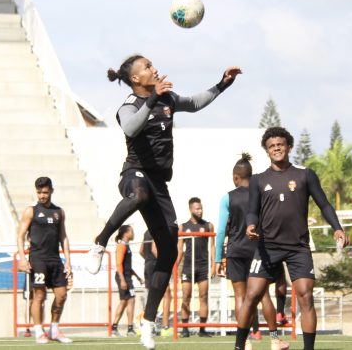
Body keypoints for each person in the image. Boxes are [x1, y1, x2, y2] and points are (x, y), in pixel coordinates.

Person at [86, 54, 241, 349]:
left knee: (169, 254)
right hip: (134, 175)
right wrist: (151, 98)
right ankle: (100, 241)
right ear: (135, 78)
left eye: (151, 65)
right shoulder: (129, 106)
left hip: (159, 184)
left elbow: (194, 103)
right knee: (139, 194)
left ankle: (147, 322)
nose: (153, 69)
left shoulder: (166, 98)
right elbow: (130, 128)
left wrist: (223, 84)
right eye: (147, 67)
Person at [233, 127, 347, 350]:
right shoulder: (258, 179)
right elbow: (253, 210)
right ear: (267, 151)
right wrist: (251, 224)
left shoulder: (305, 174)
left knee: (305, 296)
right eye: (272, 146)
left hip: (298, 247)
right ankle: (239, 346)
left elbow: (324, 204)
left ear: (289, 147)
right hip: (267, 246)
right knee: (252, 294)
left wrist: (337, 227)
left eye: (280, 145)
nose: (276, 149)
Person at [214, 153, 289, 350]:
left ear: (235, 177)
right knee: (264, 295)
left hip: (236, 252)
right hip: (260, 251)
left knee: (240, 296)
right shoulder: (262, 195)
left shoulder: (227, 198)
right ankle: (274, 340)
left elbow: (221, 230)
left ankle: (244, 342)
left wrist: (217, 259)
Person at [16, 177, 73, 344]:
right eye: (39, 192)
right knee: (39, 296)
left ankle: (54, 329)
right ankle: (39, 331)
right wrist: (22, 258)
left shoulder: (59, 212)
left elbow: (63, 237)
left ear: (51, 191)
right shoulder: (31, 211)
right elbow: (20, 236)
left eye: (45, 192)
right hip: (38, 259)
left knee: (61, 295)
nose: (42, 195)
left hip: (55, 259)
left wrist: (68, 261)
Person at [176, 197, 215, 337]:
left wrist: (214, 265)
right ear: (191, 209)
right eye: (197, 208)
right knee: (186, 296)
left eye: (201, 208)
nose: (200, 211)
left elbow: (212, 246)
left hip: (203, 266)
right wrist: (174, 268)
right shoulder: (183, 227)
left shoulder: (208, 225)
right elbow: (179, 250)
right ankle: (184, 329)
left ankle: (202, 329)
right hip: (188, 267)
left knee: (203, 297)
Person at [139, 230, 173, 337]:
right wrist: (165, 262)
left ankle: (144, 325)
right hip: (156, 265)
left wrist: (148, 260)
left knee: (152, 296)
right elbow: (154, 249)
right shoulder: (158, 228)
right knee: (167, 295)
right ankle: (165, 327)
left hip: (148, 264)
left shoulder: (146, 232)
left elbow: (141, 251)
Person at [112, 226, 144, 337]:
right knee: (129, 300)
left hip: (126, 277)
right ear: (126, 233)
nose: (133, 233)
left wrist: (138, 277)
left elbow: (127, 266)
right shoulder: (121, 246)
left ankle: (116, 328)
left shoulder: (126, 246)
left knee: (126, 301)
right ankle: (128, 329)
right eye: (132, 231)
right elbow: (119, 264)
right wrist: (122, 279)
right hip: (123, 277)